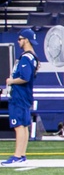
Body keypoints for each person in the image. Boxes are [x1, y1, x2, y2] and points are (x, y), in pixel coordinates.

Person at [4, 30, 35, 165]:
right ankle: (22, 154)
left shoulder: (26, 58)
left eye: (20, 39)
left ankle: (17, 155)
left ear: (26, 40)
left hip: (19, 95)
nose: (18, 41)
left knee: (19, 125)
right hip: (25, 95)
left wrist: (11, 81)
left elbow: (24, 77)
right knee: (24, 125)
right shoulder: (33, 57)